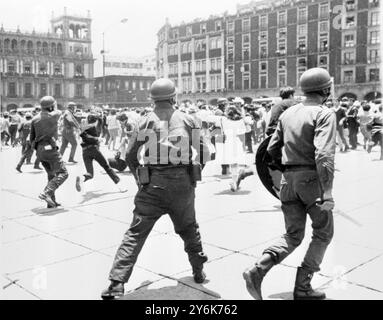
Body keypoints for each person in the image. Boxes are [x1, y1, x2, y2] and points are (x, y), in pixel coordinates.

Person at [101, 78, 210, 299]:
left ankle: (116, 283)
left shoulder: (144, 121)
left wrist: (140, 179)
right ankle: (198, 271)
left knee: (135, 232)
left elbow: (131, 155)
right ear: (173, 97)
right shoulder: (189, 119)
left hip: (152, 183)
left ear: (153, 99)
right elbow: (205, 152)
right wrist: (193, 173)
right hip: (182, 184)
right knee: (189, 228)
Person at [243, 67, 336, 300]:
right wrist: (327, 191)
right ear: (325, 89)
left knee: (293, 235)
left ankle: (258, 269)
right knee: (323, 233)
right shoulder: (325, 114)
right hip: (311, 181)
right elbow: (324, 155)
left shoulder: (288, 114)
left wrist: (286, 172)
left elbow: (271, 150)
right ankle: (303, 287)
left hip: (287, 181)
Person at [30, 96, 69, 208]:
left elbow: (31, 139)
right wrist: (53, 105)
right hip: (50, 149)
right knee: (63, 173)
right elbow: (58, 111)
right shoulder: (54, 115)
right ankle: (46, 193)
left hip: (40, 151)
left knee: (51, 175)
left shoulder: (34, 119)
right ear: (51, 106)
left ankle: (51, 202)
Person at [75, 112, 128, 193]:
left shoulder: (84, 127)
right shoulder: (91, 127)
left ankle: (82, 179)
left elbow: (84, 135)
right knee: (107, 167)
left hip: (85, 152)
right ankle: (121, 186)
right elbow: (86, 136)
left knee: (90, 173)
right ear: (96, 121)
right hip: (94, 150)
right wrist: (97, 139)